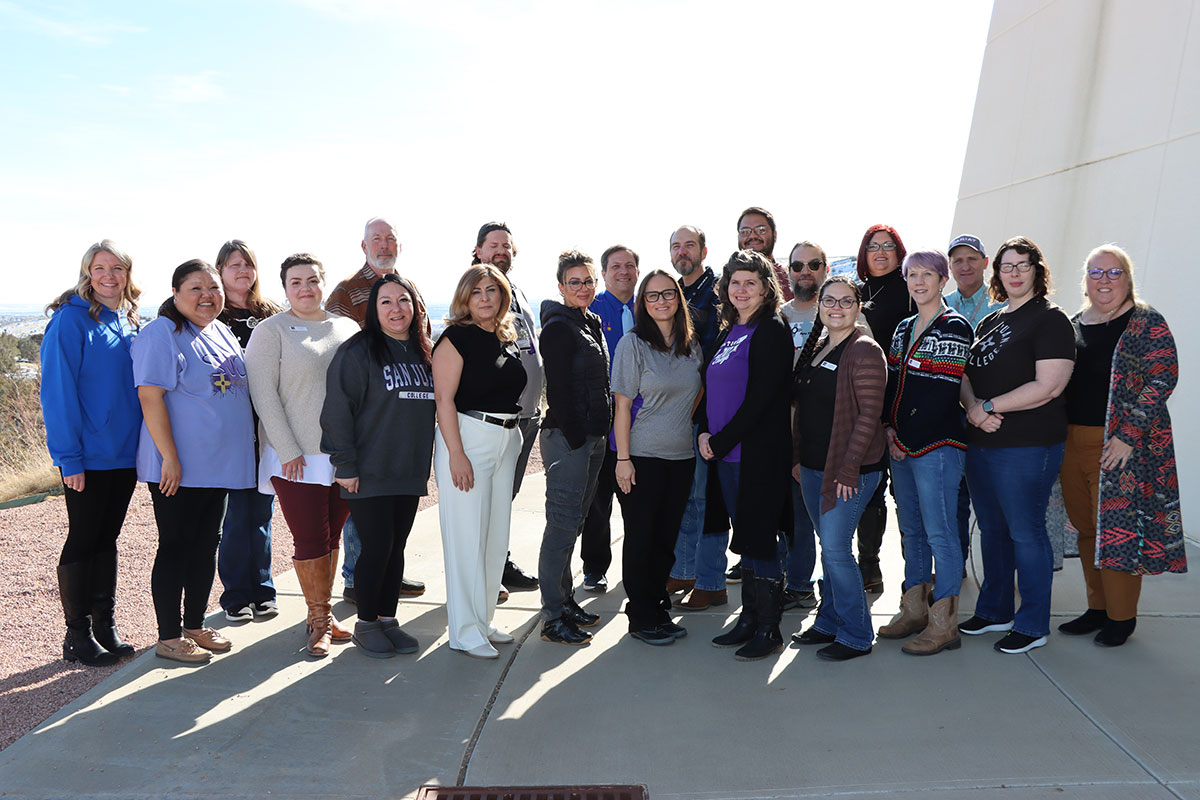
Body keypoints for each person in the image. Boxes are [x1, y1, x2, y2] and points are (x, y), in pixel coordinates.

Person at [1057, 244, 1186, 647]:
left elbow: (1163, 376)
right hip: (1071, 441)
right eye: (1096, 273)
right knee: (1087, 529)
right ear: (1086, 280)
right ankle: (1097, 609)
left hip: (1120, 445)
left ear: (1127, 278)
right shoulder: (1075, 324)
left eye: (1113, 273)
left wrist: (1128, 435)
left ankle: (1121, 617)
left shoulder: (1146, 322)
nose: (1104, 280)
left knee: (1119, 531)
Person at [133, 260, 255, 664]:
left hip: (217, 466)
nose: (207, 296)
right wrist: (169, 457)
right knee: (176, 547)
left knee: (206, 546)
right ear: (175, 294)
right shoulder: (160, 334)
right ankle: (168, 636)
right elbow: (150, 398)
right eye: (195, 288)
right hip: (179, 468)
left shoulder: (219, 330)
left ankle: (195, 623)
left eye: (213, 288)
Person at [958, 236, 1075, 655]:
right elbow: (964, 374)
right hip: (982, 442)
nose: (1013, 273)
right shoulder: (990, 320)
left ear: (1037, 271)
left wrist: (988, 406)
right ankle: (995, 611)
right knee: (992, 529)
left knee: (1026, 533)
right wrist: (974, 409)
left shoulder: (1051, 320)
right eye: (1006, 266)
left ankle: (1032, 623)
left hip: (1028, 446)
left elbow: (1049, 386)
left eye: (1022, 265)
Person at [245, 254, 359, 657]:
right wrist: (288, 448)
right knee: (310, 536)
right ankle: (318, 620)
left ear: (324, 282)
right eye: (296, 282)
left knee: (331, 534)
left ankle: (324, 613)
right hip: (294, 455)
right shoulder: (270, 331)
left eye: (312, 280)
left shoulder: (347, 327)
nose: (305, 288)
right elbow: (263, 393)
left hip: (341, 454)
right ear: (285, 287)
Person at [321, 274, 436, 658]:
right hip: (368, 470)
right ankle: (366, 622)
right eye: (385, 302)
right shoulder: (358, 351)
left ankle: (388, 618)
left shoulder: (424, 352)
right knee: (376, 547)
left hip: (408, 468)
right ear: (373, 309)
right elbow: (337, 411)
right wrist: (345, 463)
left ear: (415, 307)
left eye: (402, 300)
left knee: (396, 548)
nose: (395, 309)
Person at [41, 240, 143, 667]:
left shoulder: (130, 320)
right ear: (87, 273)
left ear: (127, 273)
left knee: (109, 539)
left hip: (126, 455)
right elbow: (57, 393)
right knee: (84, 539)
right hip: (88, 455)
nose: (108, 276)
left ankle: (106, 625)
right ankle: (76, 635)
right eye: (99, 268)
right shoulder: (69, 321)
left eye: (116, 268)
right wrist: (69, 457)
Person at [699, 250, 793, 662]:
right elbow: (710, 387)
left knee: (761, 540)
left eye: (750, 282)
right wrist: (704, 430)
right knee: (747, 538)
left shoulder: (771, 329)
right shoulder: (727, 330)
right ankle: (749, 619)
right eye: (735, 282)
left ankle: (769, 628)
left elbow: (761, 399)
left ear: (765, 287)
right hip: (726, 454)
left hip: (756, 454)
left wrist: (719, 441)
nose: (741, 289)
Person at [325, 217, 425, 603]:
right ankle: (356, 578)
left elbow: (420, 341)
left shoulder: (408, 287)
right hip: (367, 426)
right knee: (369, 532)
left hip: (402, 433)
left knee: (389, 542)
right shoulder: (348, 291)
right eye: (376, 239)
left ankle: (383, 584)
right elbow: (335, 357)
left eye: (390, 238)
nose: (384, 245)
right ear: (363, 245)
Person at [430, 265, 527, 659]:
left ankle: (483, 620)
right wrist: (456, 454)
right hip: (468, 439)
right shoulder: (456, 338)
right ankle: (465, 632)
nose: (485, 297)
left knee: (493, 536)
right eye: (477, 291)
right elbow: (444, 401)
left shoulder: (506, 337)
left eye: (492, 289)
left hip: (506, 439)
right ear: (465, 298)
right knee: (467, 537)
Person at [879, 250, 972, 655]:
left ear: (942, 281)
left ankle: (944, 622)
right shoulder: (903, 327)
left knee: (941, 532)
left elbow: (941, 393)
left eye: (927, 275)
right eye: (912, 274)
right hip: (901, 445)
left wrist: (905, 439)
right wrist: (888, 428)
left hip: (937, 446)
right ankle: (914, 608)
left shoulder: (953, 326)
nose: (919, 282)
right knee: (911, 531)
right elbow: (891, 381)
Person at [790, 276, 887, 661]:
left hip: (849, 472)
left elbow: (868, 417)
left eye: (846, 301)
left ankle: (857, 634)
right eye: (829, 301)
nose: (836, 307)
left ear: (858, 307)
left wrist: (847, 470)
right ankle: (828, 621)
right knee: (829, 549)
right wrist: (798, 459)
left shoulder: (863, 350)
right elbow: (804, 410)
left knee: (835, 549)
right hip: (813, 467)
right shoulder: (817, 348)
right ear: (819, 306)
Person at [611, 270, 702, 645]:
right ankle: (640, 615)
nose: (661, 301)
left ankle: (658, 609)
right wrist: (623, 459)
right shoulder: (632, 345)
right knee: (642, 538)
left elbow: (696, 393)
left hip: (681, 457)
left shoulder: (690, 344)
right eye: (652, 296)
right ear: (643, 303)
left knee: (666, 538)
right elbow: (621, 405)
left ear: (678, 299)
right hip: (641, 457)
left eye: (668, 294)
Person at [537, 250, 613, 646]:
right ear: (561, 287)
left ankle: (565, 601)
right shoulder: (558, 328)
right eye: (574, 282)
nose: (582, 288)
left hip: (593, 438)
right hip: (570, 439)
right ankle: (552, 616)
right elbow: (560, 391)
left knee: (575, 524)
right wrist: (579, 437)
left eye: (587, 281)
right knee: (562, 526)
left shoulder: (590, 322)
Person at [214, 239, 283, 623]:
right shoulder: (212, 314)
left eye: (247, 264)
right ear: (220, 271)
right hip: (229, 430)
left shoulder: (270, 314)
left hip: (268, 428)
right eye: (232, 265)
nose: (241, 271)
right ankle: (236, 595)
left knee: (262, 510)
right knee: (238, 514)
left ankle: (264, 590)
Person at [471, 222, 541, 597]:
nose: (501, 250)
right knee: (486, 499)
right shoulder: (477, 291)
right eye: (493, 245)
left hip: (526, 415)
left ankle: (500, 561)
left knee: (505, 497)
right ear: (479, 250)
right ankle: (483, 572)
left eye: (507, 246)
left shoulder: (518, 291)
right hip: (496, 419)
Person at [667, 225, 730, 610]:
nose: (682, 251)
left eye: (689, 245)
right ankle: (685, 568)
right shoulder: (672, 293)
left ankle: (711, 580)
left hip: (708, 412)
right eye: (676, 246)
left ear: (703, 250)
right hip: (676, 414)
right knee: (688, 497)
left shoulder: (718, 292)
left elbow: (713, 355)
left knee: (708, 500)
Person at [852, 223, 913, 594]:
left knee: (906, 494)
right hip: (865, 405)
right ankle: (869, 567)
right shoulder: (854, 294)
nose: (880, 252)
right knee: (869, 489)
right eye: (873, 246)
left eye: (888, 245)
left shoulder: (910, 289)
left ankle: (918, 575)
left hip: (905, 403)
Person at [580, 244, 640, 593]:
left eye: (629, 265)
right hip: (603, 419)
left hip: (641, 421)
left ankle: (639, 565)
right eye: (615, 266)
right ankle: (594, 567)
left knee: (637, 500)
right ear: (604, 273)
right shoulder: (592, 309)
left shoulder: (648, 306)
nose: (623, 271)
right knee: (598, 500)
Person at [943, 234, 1005, 563]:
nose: (964, 265)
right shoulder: (940, 304)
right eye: (957, 260)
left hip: (994, 414)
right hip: (950, 415)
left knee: (992, 501)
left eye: (971, 259)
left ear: (984, 263)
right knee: (953, 498)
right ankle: (955, 566)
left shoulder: (1003, 303)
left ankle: (1000, 570)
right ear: (950, 267)